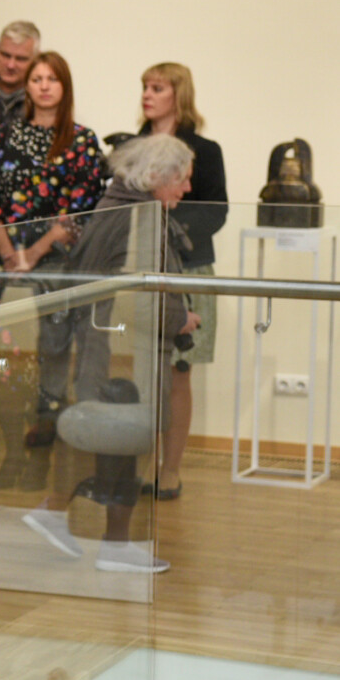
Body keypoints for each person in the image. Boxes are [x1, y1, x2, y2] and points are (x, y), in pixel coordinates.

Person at [21, 135, 200, 573]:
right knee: (121, 439)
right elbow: (142, 288)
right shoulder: (137, 215)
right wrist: (180, 318)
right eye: (182, 178)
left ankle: (101, 535)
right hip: (121, 350)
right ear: (155, 176)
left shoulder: (118, 205)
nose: (187, 189)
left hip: (110, 344)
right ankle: (93, 532)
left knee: (118, 442)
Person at [0, 52, 108, 463]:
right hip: (5, 253)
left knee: (56, 338)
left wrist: (34, 251)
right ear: (27, 87)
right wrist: (7, 251)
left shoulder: (82, 140)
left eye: (53, 79)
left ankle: (56, 415)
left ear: (65, 87)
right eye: (37, 79)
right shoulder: (8, 135)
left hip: (58, 254)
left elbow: (83, 207)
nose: (44, 86)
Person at [134, 62, 225, 500]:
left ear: (178, 95)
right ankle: (143, 463)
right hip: (141, 268)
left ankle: (170, 469)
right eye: (145, 87)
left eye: (157, 88)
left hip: (188, 266)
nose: (147, 95)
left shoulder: (205, 150)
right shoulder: (132, 147)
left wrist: (170, 230)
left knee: (178, 373)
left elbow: (216, 211)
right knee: (143, 371)